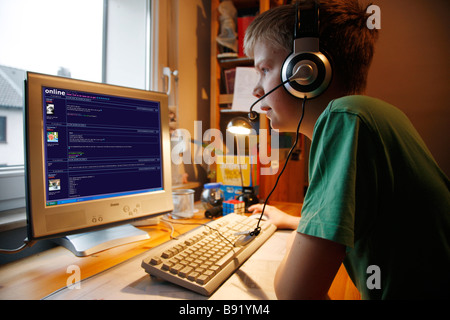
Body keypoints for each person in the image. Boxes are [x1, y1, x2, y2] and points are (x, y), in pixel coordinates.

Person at [245, 0, 450, 300]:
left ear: (306, 70)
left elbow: (294, 293)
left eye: (264, 69)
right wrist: (296, 222)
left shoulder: (345, 120)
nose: (256, 90)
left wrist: (295, 242)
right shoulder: (368, 115)